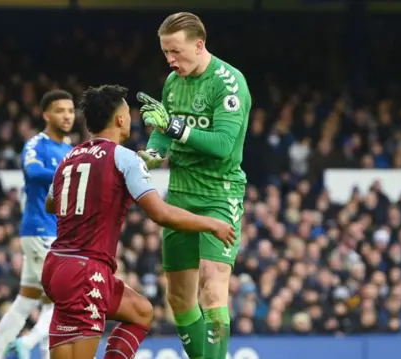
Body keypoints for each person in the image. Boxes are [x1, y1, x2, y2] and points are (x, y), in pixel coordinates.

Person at [41, 84, 236, 359]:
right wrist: (211, 223)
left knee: (141, 311)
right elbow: (161, 214)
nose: (131, 118)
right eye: (128, 113)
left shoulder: (69, 158)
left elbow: (51, 203)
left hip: (58, 266)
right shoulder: (123, 158)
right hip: (87, 271)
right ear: (120, 119)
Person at [136, 12, 252, 359]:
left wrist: (173, 129)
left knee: (213, 288)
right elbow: (163, 132)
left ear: (199, 45)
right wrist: (154, 153)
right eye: (165, 53)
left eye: (176, 51)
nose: (170, 60)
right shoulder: (173, 83)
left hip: (221, 193)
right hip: (181, 194)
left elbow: (222, 146)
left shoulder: (229, 82)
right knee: (179, 298)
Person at [0, 90, 76, 359]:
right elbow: (33, 172)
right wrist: (68, 172)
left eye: (71, 111)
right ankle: (28, 342)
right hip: (39, 231)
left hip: (55, 232)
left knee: (27, 302)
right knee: (64, 301)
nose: (67, 116)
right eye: (61, 110)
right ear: (46, 114)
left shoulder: (69, 149)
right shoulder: (37, 144)